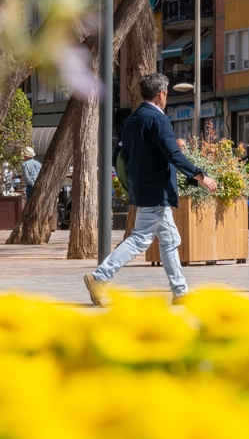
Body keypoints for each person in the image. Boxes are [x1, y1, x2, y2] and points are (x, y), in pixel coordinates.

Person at [83, 73, 216, 306]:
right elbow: (173, 154)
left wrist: (130, 182)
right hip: (156, 189)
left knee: (170, 239)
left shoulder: (132, 120)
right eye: (166, 94)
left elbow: (119, 157)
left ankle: (180, 291)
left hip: (142, 186)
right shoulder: (158, 119)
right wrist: (200, 176)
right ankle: (99, 277)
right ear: (162, 93)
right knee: (141, 238)